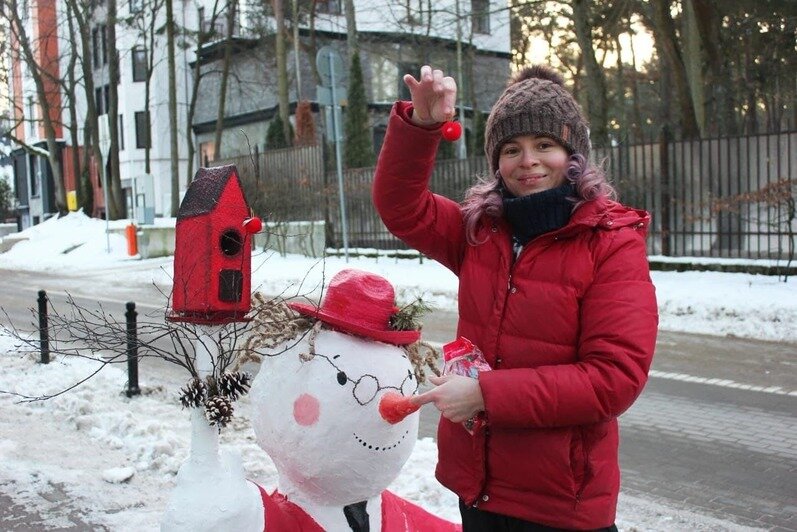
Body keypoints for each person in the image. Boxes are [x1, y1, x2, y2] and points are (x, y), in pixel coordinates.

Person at [372, 64, 659, 531]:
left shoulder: (611, 241)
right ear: (496, 162)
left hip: (562, 503)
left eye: (544, 145)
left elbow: (613, 379)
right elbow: (400, 206)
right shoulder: (480, 233)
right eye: (512, 149)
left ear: (573, 155)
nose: (528, 160)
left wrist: (484, 395)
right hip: (481, 489)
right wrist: (420, 129)